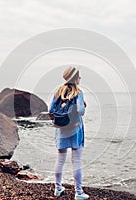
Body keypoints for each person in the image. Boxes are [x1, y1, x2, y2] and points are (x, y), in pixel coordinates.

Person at [49, 66, 89, 200]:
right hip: (75, 129)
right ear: (75, 78)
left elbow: (50, 109)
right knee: (76, 161)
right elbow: (81, 111)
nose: (81, 78)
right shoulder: (78, 92)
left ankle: (57, 188)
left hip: (61, 130)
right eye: (79, 76)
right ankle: (78, 192)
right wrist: (83, 104)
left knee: (60, 160)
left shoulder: (57, 91)